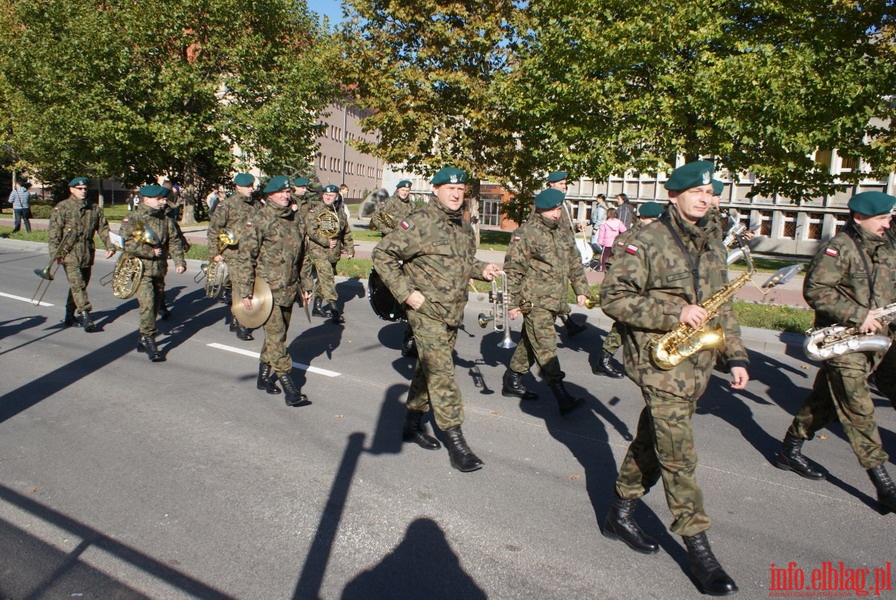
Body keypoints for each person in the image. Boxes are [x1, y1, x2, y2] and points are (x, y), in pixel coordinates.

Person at [599, 160, 748, 596]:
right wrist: (674, 312)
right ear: (674, 195)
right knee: (678, 452)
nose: (707, 199)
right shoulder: (643, 239)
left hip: (696, 361)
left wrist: (735, 356)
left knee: (654, 437)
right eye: (698, 192)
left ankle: (619, 512)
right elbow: (613, 298)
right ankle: (698, 547)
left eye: (712, 193)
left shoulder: (712, 241)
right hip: (656, 359)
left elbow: (723, 307)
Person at [774, 191, 896, 515]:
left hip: (883, 339)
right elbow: (815, 290)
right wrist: (859, 315)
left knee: (825, 400)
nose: (888, 223)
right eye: (883, 218)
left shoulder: (887, 243)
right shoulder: (839, 248)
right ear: (860, 218)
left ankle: (790, 448)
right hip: (846, 341)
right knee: (859, 409)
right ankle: (884, 485)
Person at [373, 167, 501, 472]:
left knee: (426, 370)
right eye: (449, 189)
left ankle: (412, 423)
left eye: (461, 190)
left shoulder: (463, 226)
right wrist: (406, 294)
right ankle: (457, 443)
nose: (456, 194)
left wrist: (482, 269)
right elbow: (382, 254)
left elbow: (462, 262)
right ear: (435, 189)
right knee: (442, 373)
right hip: (426, 312)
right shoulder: (420, 221)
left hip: (452, 311)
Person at [500, 188, 589, 415]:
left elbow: (575, 262)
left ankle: (512, 380)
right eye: (551, 210)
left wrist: (581, 289)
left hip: (555, 301)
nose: (556, 214)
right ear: (539, 209)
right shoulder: (526, 233)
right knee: (546, 347)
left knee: (532, 342)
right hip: (534, 301)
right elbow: (513, 271)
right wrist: (511, 303)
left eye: (558, 209)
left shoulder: (562, 232)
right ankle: (562, 396)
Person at [237, 176, 313, 406]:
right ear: (269, 195)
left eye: (288, 191)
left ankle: (263, 378)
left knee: (276, 336)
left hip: (288, 288)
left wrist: (306, 285)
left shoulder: (296, 220)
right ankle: (290, 387)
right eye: (280, 192)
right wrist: (244, 290)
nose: (285, 195)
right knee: (277, 336)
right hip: (266, 291)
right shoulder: (260, 220)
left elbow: (304, 256)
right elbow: (245, 256)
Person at [592, 201, 664, 378]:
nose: (656, 223)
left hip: (643, 288)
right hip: (632, 288)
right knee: (625, 325)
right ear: (642, 218)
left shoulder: (651, 235)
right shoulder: (635, 236)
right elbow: (615, 263)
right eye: (653, 220)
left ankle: (633, 360)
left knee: (636, 326)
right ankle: (604, 359)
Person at [119, 185, 187, 362]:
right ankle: (150, 340)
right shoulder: (133, 218)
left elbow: (174, 241)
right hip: (141, 269)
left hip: (159, 269)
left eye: (164, 199)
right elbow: (127, 244)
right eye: (159, 199)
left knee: (156, 304)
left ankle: (143, 338)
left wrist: (179, 261)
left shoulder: (165, 219)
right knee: (148, 304)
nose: (163, 201)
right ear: (146, 199)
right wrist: (150, 252)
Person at [47, 177, 115, 330]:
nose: (83, 191)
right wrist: (55, 254)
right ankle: (85, 315)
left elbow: (103, 229)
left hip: (87, 251)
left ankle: (69, 315)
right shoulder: (62, 207)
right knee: (77, 284)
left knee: (81, 283)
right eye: (79, 188)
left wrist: (109, 246)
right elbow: (54, 233)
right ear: (72, 190)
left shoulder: (94, 208)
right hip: (69, 252)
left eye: (85, 188)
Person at [208, 173, 261, 340]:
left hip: (253, 253)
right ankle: (241, 324)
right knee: (241, 288)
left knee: (247, 285)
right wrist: (214, 253)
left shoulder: (256, 205)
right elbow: (213, 230)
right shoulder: (227, 205)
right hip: (233, 254)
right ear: (238, 187)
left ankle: (234, 318)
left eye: (252, 186)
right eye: (248, 186)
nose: (251, 189)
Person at [370, 179, 418, 357]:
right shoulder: (388, 203)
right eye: (403, 189)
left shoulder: (411, 205)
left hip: (406, 247)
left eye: (407, 190)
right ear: (397, 190)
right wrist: (390, 232)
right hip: (390, 246)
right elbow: (375, 220)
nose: (405, 192)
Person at [544, 170, 587, 337]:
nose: (564, 186)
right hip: (553, 251)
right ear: (551, 185)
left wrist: (577, 227)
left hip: (566, 249)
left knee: (562, 284)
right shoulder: (544, 202)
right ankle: (560, 323)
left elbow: (566, 227)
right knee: (556, 286)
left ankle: (566, 322)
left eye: (565, 183)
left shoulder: (566, 205)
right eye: (561, 183)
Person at [304, 184, 354, 324]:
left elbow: (346, 233)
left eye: (331, 195)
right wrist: (326, 241)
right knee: (327, 276)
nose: (327, 197)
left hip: (334, 251)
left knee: (324, 278)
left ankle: (317, 306)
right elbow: (311, 230)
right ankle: (334, 308)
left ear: (336, 197)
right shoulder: (316, 211)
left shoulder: (340, 214)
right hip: (319, 249)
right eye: (325, 194)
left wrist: (350, 248)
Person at [596, 207, 627, 271]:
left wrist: (600, 242)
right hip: (616, 242)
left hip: (607, 242)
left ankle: (602, 268)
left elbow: (601, 234)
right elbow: (624, 231)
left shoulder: (604, 223)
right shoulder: (619, 222)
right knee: (615, 256)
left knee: (604, 256)